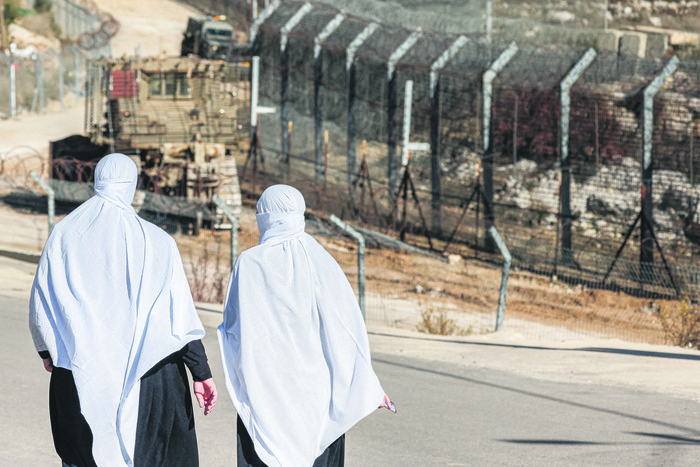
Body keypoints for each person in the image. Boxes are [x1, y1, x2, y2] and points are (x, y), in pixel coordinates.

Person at [28, 153, 218, 467]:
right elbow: (179, 316)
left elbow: (42, 302)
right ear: (132, 185)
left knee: (85, 456)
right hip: (150, 379)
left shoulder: (64, 235)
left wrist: (47, 351)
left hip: (80, 370)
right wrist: (201, 372)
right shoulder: (157, 241)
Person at [218, 184, 394, 467]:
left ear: (266, 216)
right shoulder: (322, 261)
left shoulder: (249, 263)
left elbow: (234, 330)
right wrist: (366, 383)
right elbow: (345, 330)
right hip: (316, 392)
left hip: (266, 390)